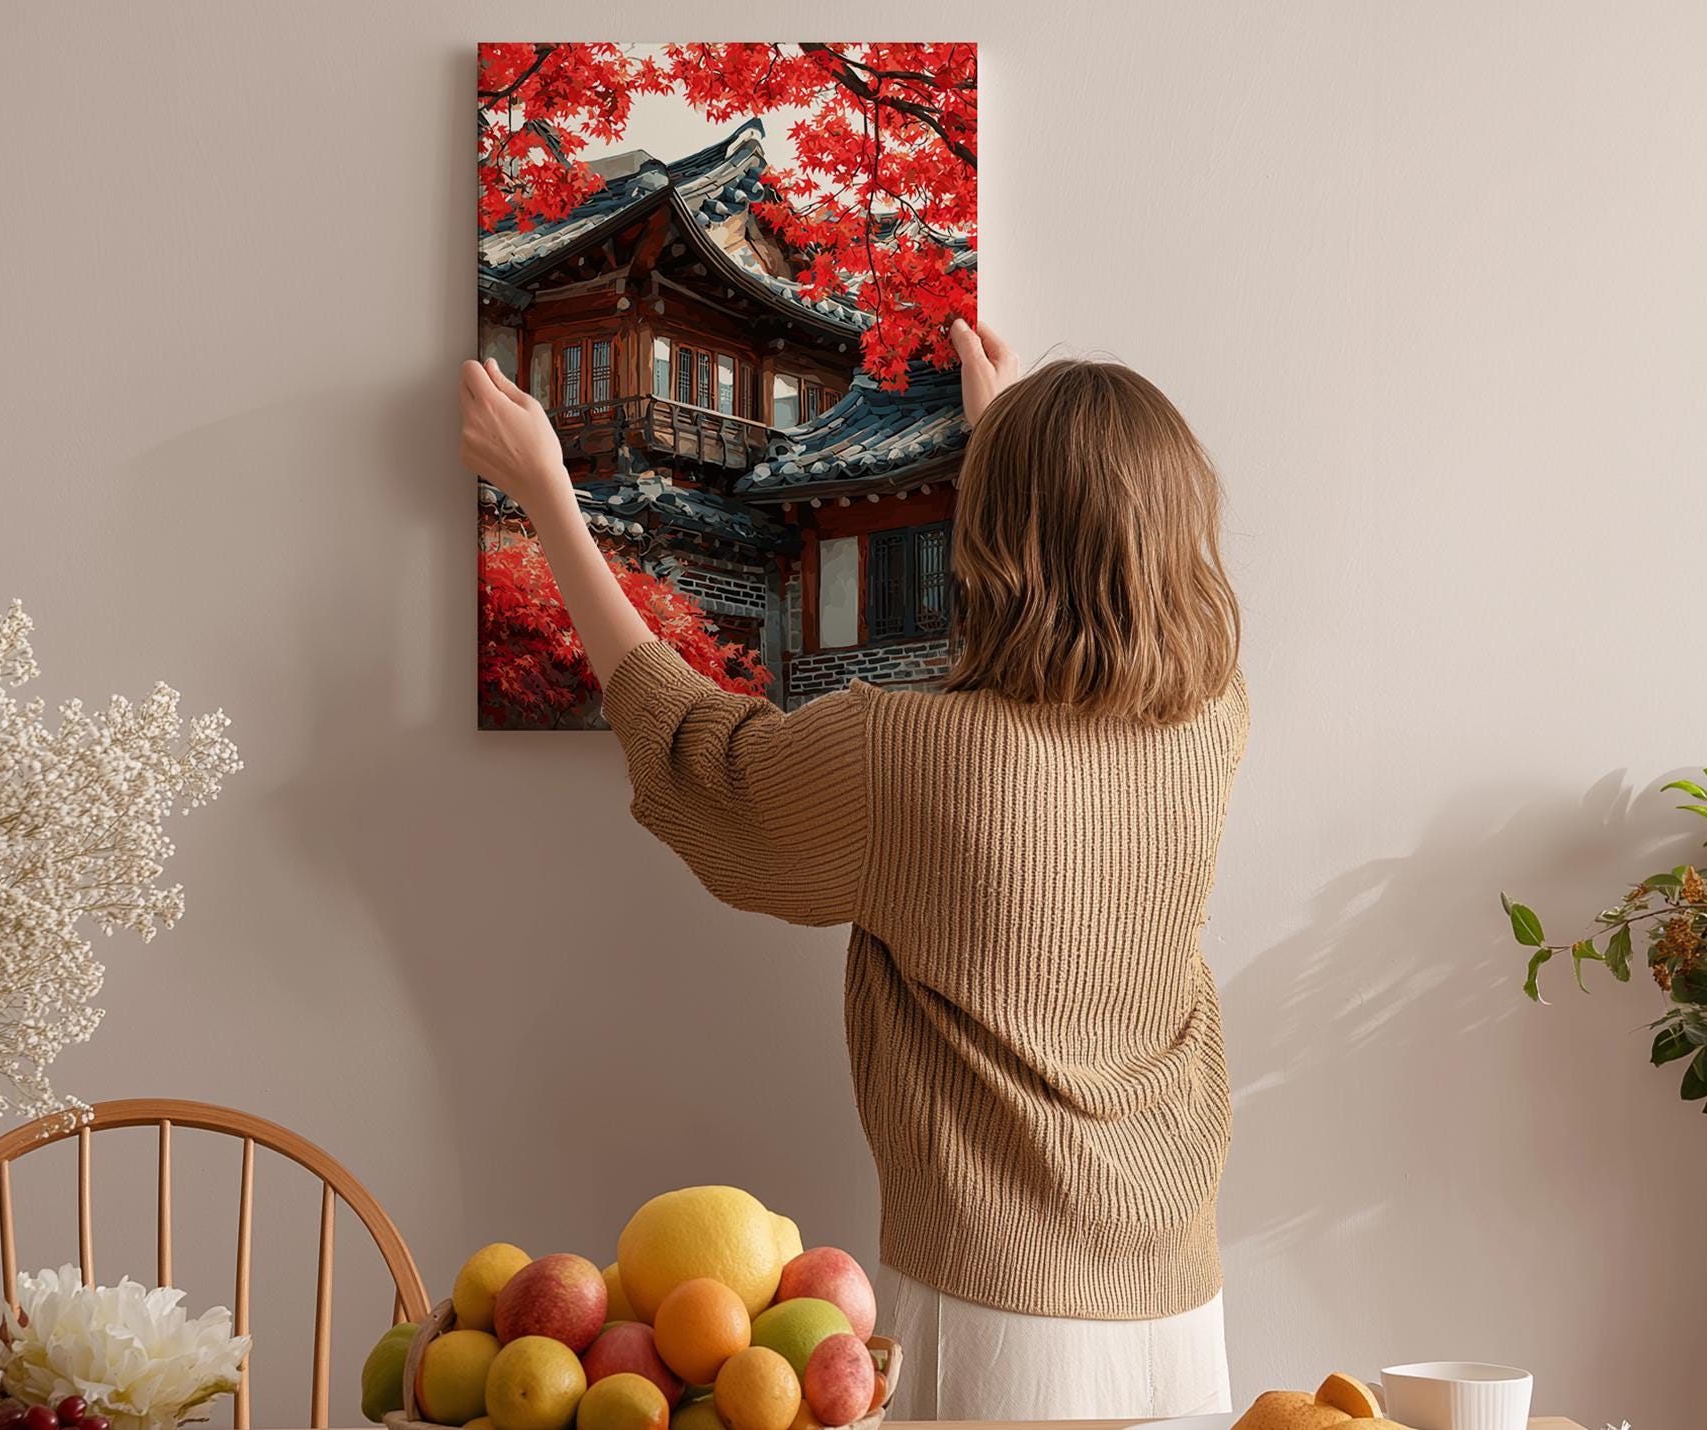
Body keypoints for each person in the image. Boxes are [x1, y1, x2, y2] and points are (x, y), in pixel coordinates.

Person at [459, 319, 1247, 1420]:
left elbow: (698, 751)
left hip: (995, 1310)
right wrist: (1004, 439)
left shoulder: (902, 755)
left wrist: (548, 492)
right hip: (1179, 1297)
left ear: (992, 533)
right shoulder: (1211, 722)